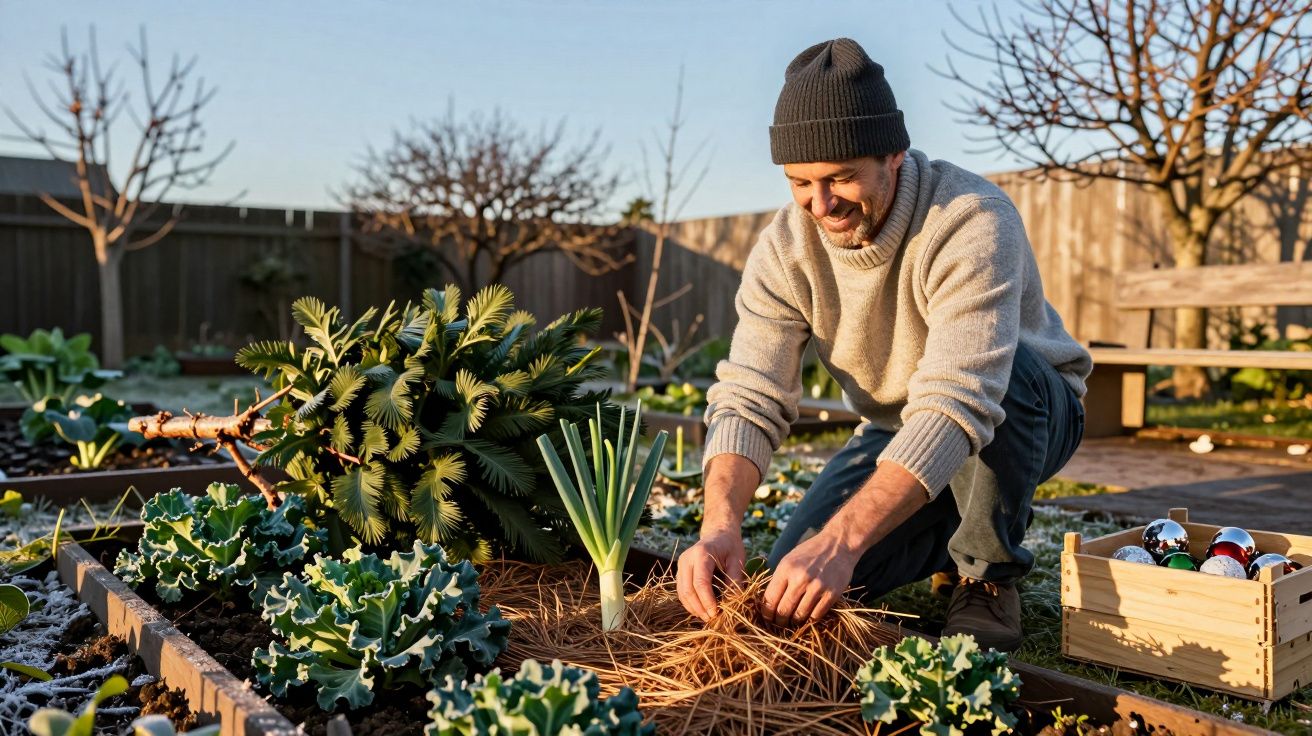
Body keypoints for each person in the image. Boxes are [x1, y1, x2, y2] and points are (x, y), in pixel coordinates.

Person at [673, 37, 1092, 652]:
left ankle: (985, 573)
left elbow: (960, 399)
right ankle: (947, 526)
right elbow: (749, 395)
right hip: (895, 426)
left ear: (894, 154)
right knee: (801, 574)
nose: (822, 204)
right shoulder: (785, 249)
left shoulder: (970, 218)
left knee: (1008, 377)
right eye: (800, 182)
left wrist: (843, 541)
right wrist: (718, 524)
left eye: (842, 177)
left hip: (1026, 412)